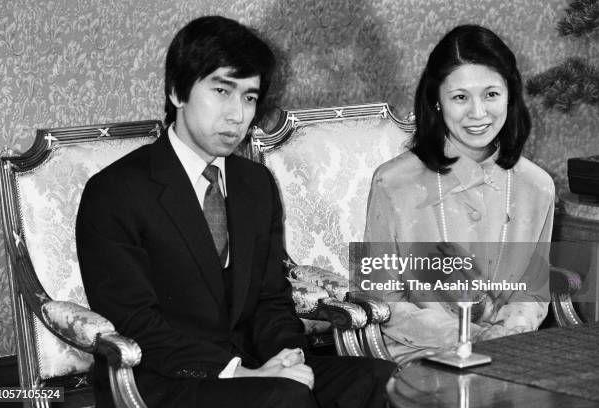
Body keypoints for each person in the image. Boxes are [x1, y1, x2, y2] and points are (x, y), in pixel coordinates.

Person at [76, 15, 394, 408]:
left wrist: (287, 357)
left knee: (380, 380)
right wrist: (240, 373)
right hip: (165, 380)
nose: (237, 114)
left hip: (257, 369)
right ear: (177, 91)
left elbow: (271, 301)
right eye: (222, 91)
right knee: (285, 397)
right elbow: (137, 324)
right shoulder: (115, 191)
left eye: (249, 97)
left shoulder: (255, 184)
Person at [364, 25, 554, 358]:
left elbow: (534, 293)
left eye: (491, 94)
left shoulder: (537, 186)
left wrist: (507, 335)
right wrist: (467, 336)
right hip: (420, 353)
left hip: (510, 352)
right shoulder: (392, 183)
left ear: (511, 95)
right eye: (460, 97)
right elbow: (381, 299)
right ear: (436, 101)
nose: (478, 114)